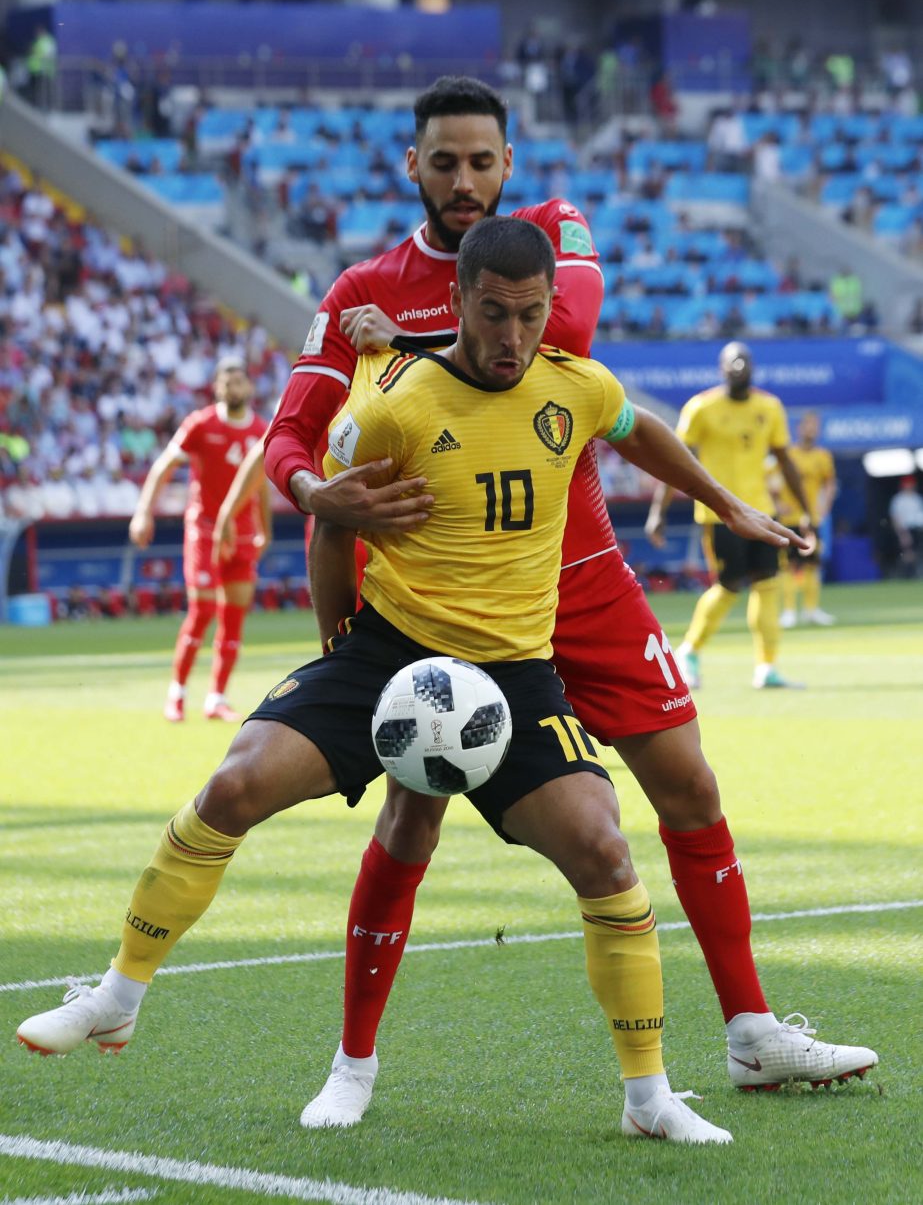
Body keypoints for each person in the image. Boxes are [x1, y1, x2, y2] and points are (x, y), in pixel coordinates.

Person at [16, 217, 804, 1143]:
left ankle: (649, 1099)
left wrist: (728, 503)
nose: (512, 336)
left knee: (604, 851)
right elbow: (333, 516)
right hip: (390, 653)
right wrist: (334, 649)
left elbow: (639, 430)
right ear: (459, 302)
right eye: (494, 312)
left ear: (550, 307)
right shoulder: (392, 400)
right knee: (233, 783)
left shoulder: (576, 388)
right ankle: (116, 994)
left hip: (514, 676)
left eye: (531, 314)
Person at [228, 79, 874, 1126]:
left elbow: (557, 331)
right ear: (411, 166)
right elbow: (292, 440)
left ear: (509, 163)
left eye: (482, 161)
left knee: (688, 789)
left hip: (582, 581)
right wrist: (316, 483)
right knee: (410, 810)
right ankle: (352, 1062)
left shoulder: (551, 233)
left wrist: (394, 348)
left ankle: (751, 1031)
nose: (464, 181)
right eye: (443, 161)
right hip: (446, 595)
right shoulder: (359, 285)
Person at [646, 341, 813, 690]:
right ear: (721, 368)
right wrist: (657, 512)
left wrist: (806, 510)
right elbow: (674, 461)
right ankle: (688, 652)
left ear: (754, 367)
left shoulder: (770, 407)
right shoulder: (702, 408)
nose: (739, 366)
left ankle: (766, 668)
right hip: (718, 514)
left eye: (745, 360)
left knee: (768, 584)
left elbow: (785, 460)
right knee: (729, 585)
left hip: (762, 512)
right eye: (732, 361)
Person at [127, 355, 270, 722]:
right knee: (203, 609)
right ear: (216, 388)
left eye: (239, 381)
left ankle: (216, 698)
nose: (233, 387)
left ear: (249, 387)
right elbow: (163, 466)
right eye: (226, 382)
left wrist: (265, 528)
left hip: (243, 532)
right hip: (205, 529)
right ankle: (177, 693)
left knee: (234, 614)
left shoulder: (261, 429)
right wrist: (144, 510)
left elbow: (261, 485)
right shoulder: (200, 424)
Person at [770, 412, 837, 627]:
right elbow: (768, 481)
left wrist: (825, 504)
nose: (812, 430)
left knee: (812, 565)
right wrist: (778, 504)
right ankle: (789, 611)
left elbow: (829, 483)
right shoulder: (787, 455)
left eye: (815, 426)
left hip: (812, 519)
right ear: (799, 429)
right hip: (789, 518)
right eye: (808, 426)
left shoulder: (823, 456)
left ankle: (811, 610)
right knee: (788, 565)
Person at [889, 474, 923, 577]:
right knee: (907, 554)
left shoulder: (917, 498)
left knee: (917, 554)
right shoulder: (898, 500)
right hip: (905, 530)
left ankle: (917, 575)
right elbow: (895, 518)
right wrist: (902, 534)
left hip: (918, 529)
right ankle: (902, 575)